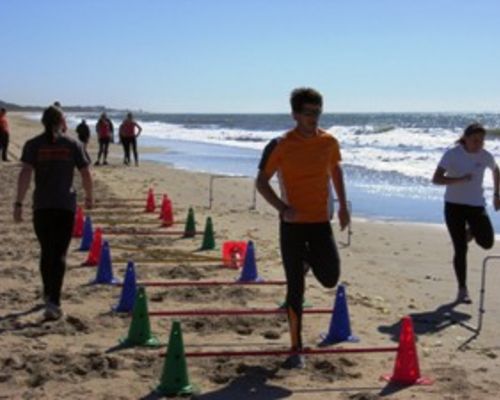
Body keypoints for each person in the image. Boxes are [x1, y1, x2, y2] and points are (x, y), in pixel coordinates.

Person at [256, 88, 350, 368]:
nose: (313, 118)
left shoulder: (329, 142)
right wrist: (283, 209)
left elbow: (336, 170)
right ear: (295, 114)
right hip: (292, 226)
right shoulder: (280, 144)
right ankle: (296, 347)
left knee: (331, 277)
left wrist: (344, 206)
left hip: (321, 222)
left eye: (317, 112)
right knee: (295, 288)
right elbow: (262, 182)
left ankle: (308, 260)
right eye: (308, 113)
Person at [13, 105, 93, 320]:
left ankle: (49, 294)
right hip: (65, 206)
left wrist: (18, 203)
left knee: (47, 250)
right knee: (59, 254)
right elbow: (85, 173)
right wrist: (89, 197)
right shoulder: (73, 144)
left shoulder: (33, 145)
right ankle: (54, 302)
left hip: (42, 206)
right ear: (61, 121)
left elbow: (25, 174)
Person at [432, 122, 499, 304]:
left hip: (476, 205)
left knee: (487, 242)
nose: (479, 144)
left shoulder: (485, 156)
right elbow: (436, 179)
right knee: (460, 248)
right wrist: (459, 180)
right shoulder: (452, 154)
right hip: (454, 206)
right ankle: (462, 290)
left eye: (482, 141)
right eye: (475, 140)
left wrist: (497, 194)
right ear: (466, 139)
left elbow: (496, 170)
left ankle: (471, 232)